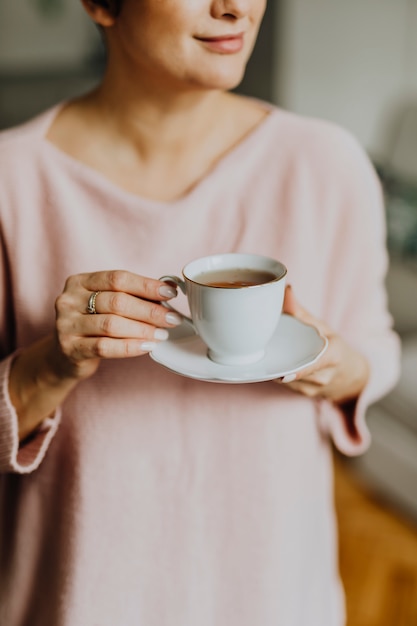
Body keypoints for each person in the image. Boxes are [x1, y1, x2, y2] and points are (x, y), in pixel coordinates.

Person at [0, 1, 400, 624]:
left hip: (275, 600)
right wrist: (51, 364)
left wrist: (338, 366)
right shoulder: (12, 181)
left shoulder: (328, 166)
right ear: (101, 2)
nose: (234, 6)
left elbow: (377, 351)